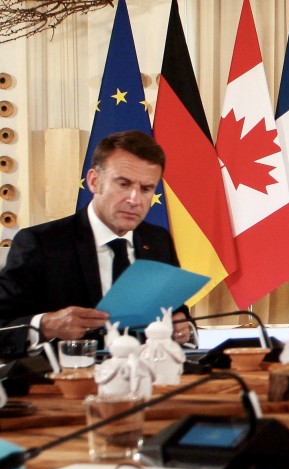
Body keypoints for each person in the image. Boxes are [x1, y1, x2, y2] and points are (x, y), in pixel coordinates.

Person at [0, 130, 187, 358]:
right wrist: (46, 325)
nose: (135, 199)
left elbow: (177, 314)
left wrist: (183, 330)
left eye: (146, 189)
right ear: (94, 181)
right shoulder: (41, 244)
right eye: (123, 184)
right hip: (65, 385)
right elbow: (4, 324)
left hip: (149, 382)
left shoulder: (157, 240)